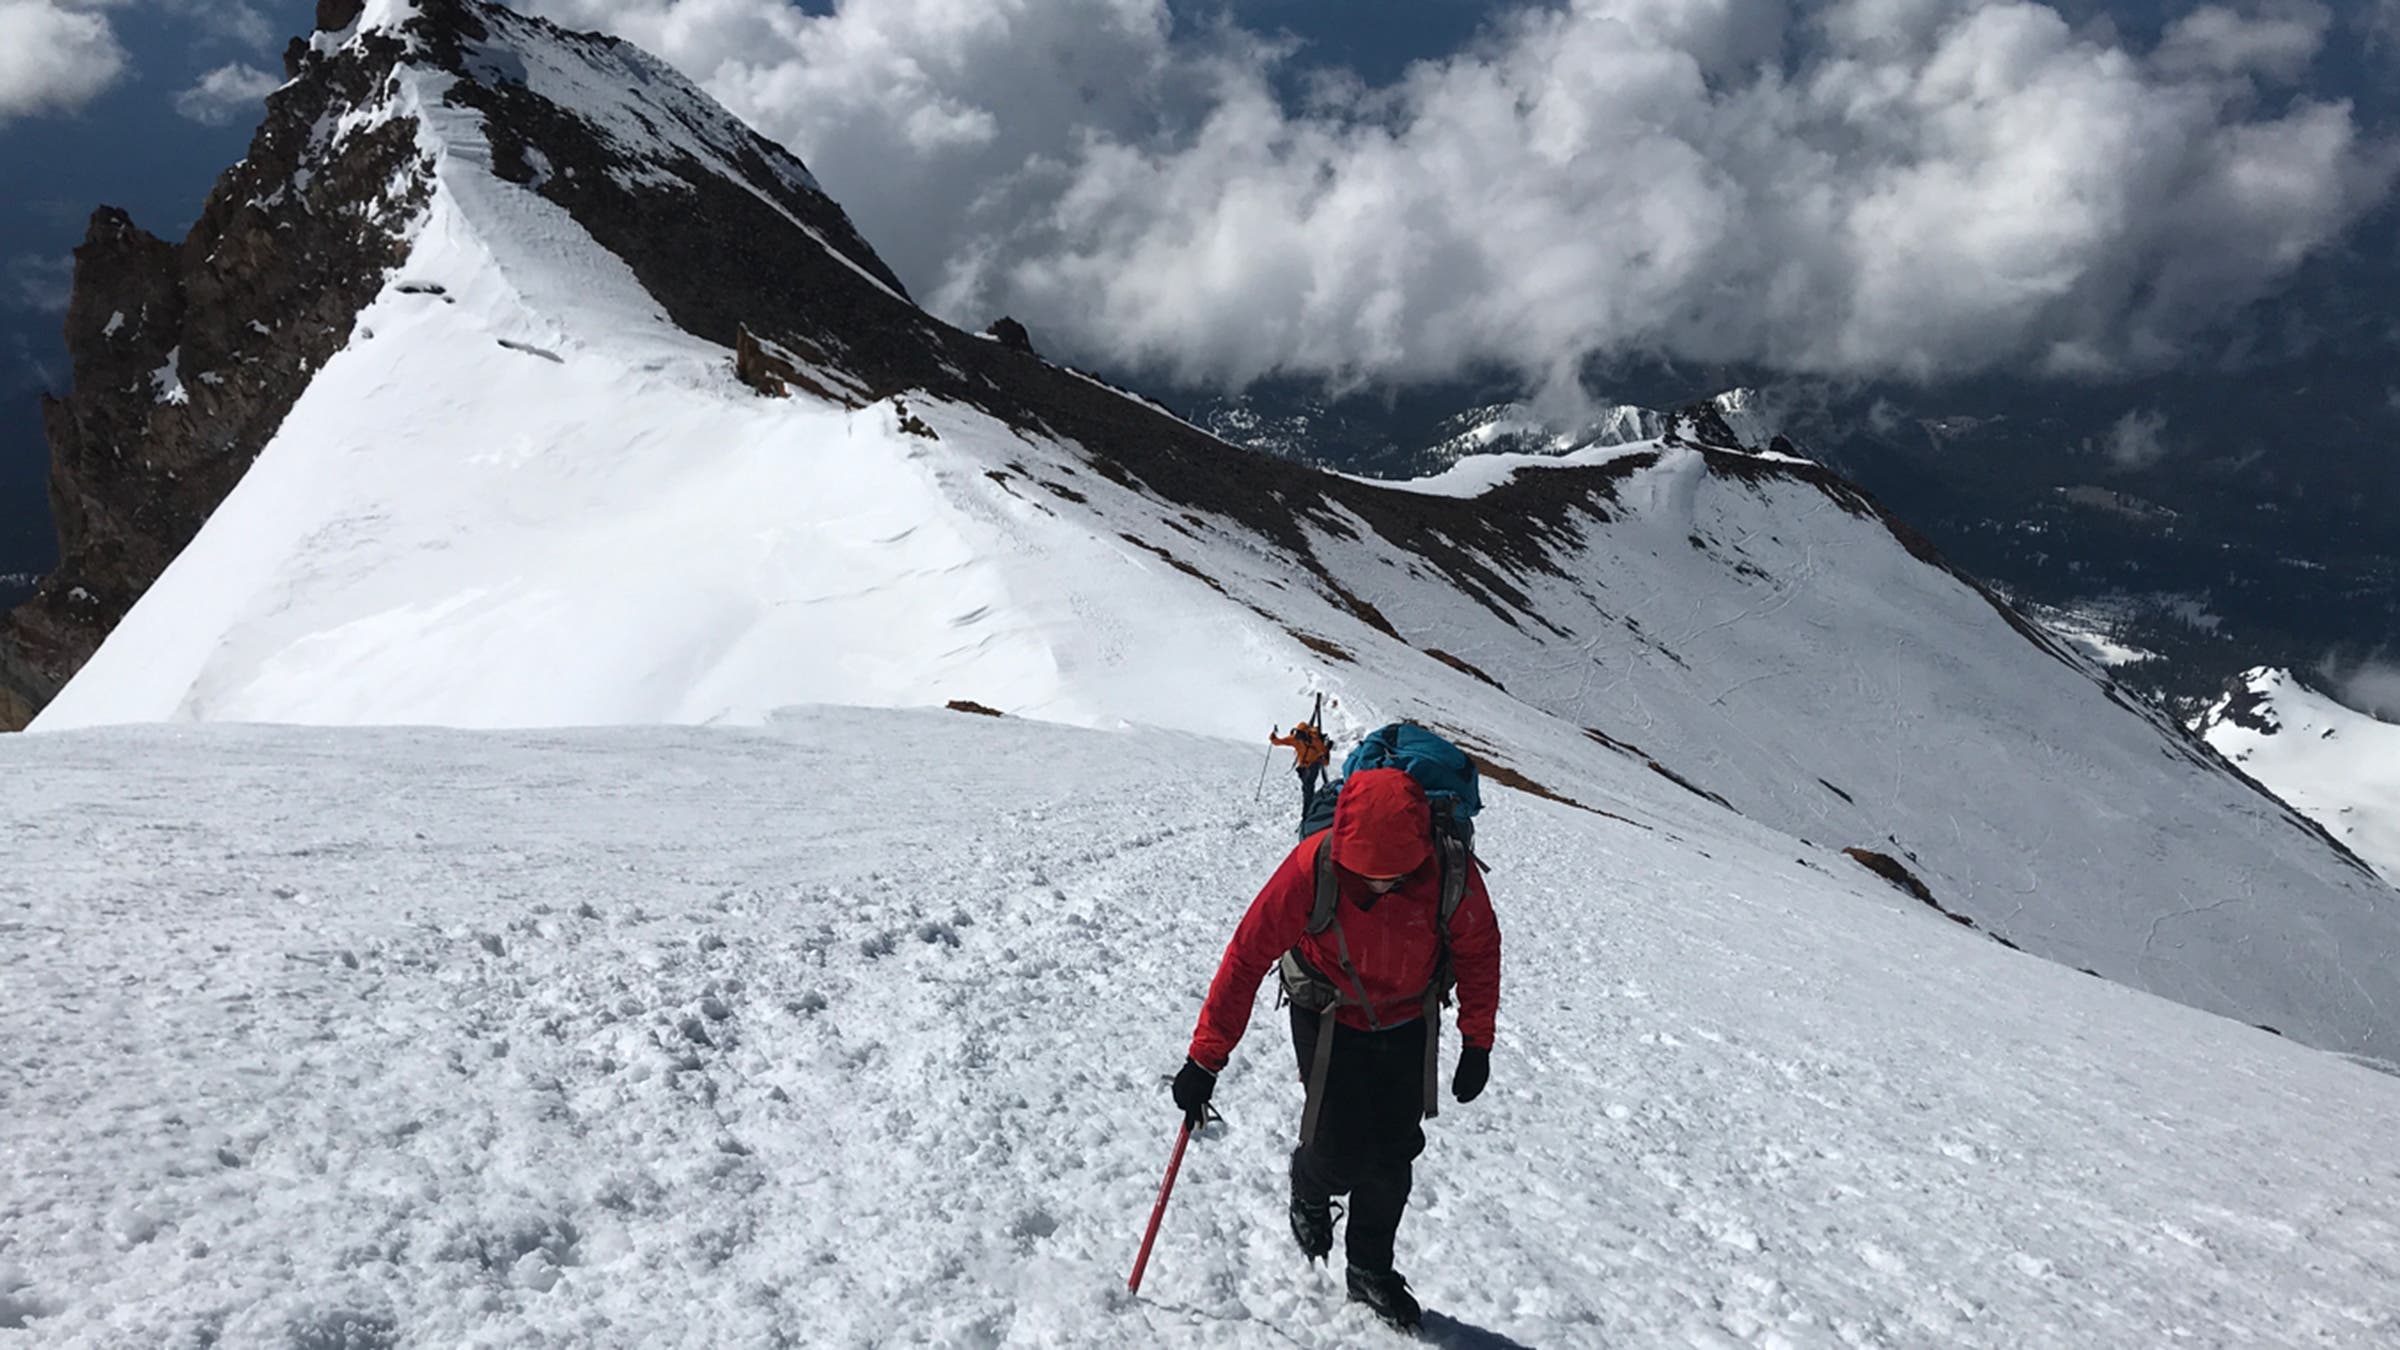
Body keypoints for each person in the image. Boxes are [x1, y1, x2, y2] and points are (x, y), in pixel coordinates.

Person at [1171, 767, 1502, 1331]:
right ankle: (1309, 1184)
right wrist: (1205, 1057)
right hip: (1326, 1012)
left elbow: (1478, 949)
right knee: (1340, 1147)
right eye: (1365, 876)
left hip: (1407, 1017)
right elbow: (1247, 956)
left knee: (1394, 1154)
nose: (1377, 887)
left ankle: (1370, 1267)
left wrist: (1478, 1041)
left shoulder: (1449, 870)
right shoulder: (1313, 867)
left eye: (1391, 877)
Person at [1269, 721, 1333, 813]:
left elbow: (1323, 752)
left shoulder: (1315, 740)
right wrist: (1273, 737)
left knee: (1308, 787)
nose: (1299, 737)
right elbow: (1280, 742)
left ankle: (1307, 810)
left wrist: (1326, 755)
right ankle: (1310, 806)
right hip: (1303, 767)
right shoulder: (1296, 738)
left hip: (1313, 765)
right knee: (1307, 787)